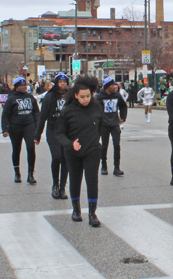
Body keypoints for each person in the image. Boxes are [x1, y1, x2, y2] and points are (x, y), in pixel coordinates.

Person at [54, 76, 103, 227]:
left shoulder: (96, 107)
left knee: (92, 180)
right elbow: (59, 133)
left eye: (88, 96)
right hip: (73, 151)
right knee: (75, 180)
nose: (86, 99)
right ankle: (76, 210)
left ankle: (92, 213)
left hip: (92, 150)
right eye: (82, 97)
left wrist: (96, 140)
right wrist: (70, 144)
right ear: (75, 95)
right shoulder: (68, 111)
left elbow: (100, 126)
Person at [34, 73, 70, 199]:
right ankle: (55, 185)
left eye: (64, 82)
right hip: (53, 130)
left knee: (65, 158)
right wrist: (37, 135)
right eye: (60, 82)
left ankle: (62, 187)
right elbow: (42, 116)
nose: (63, 84)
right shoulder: (49, 97)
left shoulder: (70, 96)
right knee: (57, 156)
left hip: (67, 130)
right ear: (56, 83)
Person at [1, 76, 40, 184]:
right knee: (16, 149)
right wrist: (5, 129)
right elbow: (5, 115)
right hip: (15, 127)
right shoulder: (11, 99)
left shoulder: (30, 97)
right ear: (17, 87)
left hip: (29, 125)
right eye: (22, 85)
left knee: (31, 148)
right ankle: (17, 173)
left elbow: (36, 112)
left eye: (25, 85)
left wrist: (37, 126)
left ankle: (30, 174)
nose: (24, 87)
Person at [95, 76, 128, 176]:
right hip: (104, 124)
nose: (115, 87)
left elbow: (123, 106)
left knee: (117, 145)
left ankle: (117, 168)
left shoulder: (117, 95)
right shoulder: (99, 97)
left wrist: (122, 117)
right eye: (113, 85)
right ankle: (104, 166)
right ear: (107, 86)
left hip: (114, 123)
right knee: (104, 146)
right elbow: (94, 110)